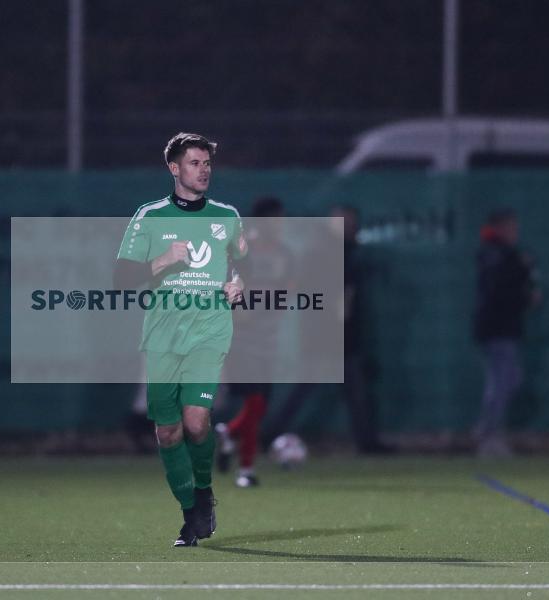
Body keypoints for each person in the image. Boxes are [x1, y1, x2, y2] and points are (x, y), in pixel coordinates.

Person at [114, 132, 247, 547]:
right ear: (174, 168)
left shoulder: (227, 216)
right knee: (169, 433)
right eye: (194, 163)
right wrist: (164, 259)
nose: (203, 170)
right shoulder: (149, 216)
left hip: (209, 332)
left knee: (196, 421)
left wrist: (239, 282)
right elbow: (122, 278)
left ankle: (203, 491)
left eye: (207, 163)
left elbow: (244, 264)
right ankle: (191, 511)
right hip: (163, 337)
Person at [264, 204, 393, 454]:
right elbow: (334, 297)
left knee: (342, 390)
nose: (352, 228)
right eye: (347, 222)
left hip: (333, 334)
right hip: (329, 334)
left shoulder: (335, 251)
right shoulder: (329, 253)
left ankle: (268, 436)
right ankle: (268, 435)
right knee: (331, 390)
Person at [216, 196, 295, 487]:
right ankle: (246, 470)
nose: (280, 225)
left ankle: (228, 433)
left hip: (267, 341)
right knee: (256, 400)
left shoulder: (285, 254)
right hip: (241, 340)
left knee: (258, 406)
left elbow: (288, 289)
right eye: (275, 219)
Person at [473, 209, 539, 457]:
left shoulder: (503, 254)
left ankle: (487, 429)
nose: (514, 233)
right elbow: (500, 292)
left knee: (508, 379)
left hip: (503, 327)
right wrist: (525, 293)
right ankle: (489, 435)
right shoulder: (496, 254)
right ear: (499, 228)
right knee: (500, 382)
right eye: (511, 228)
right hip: (497, 327)